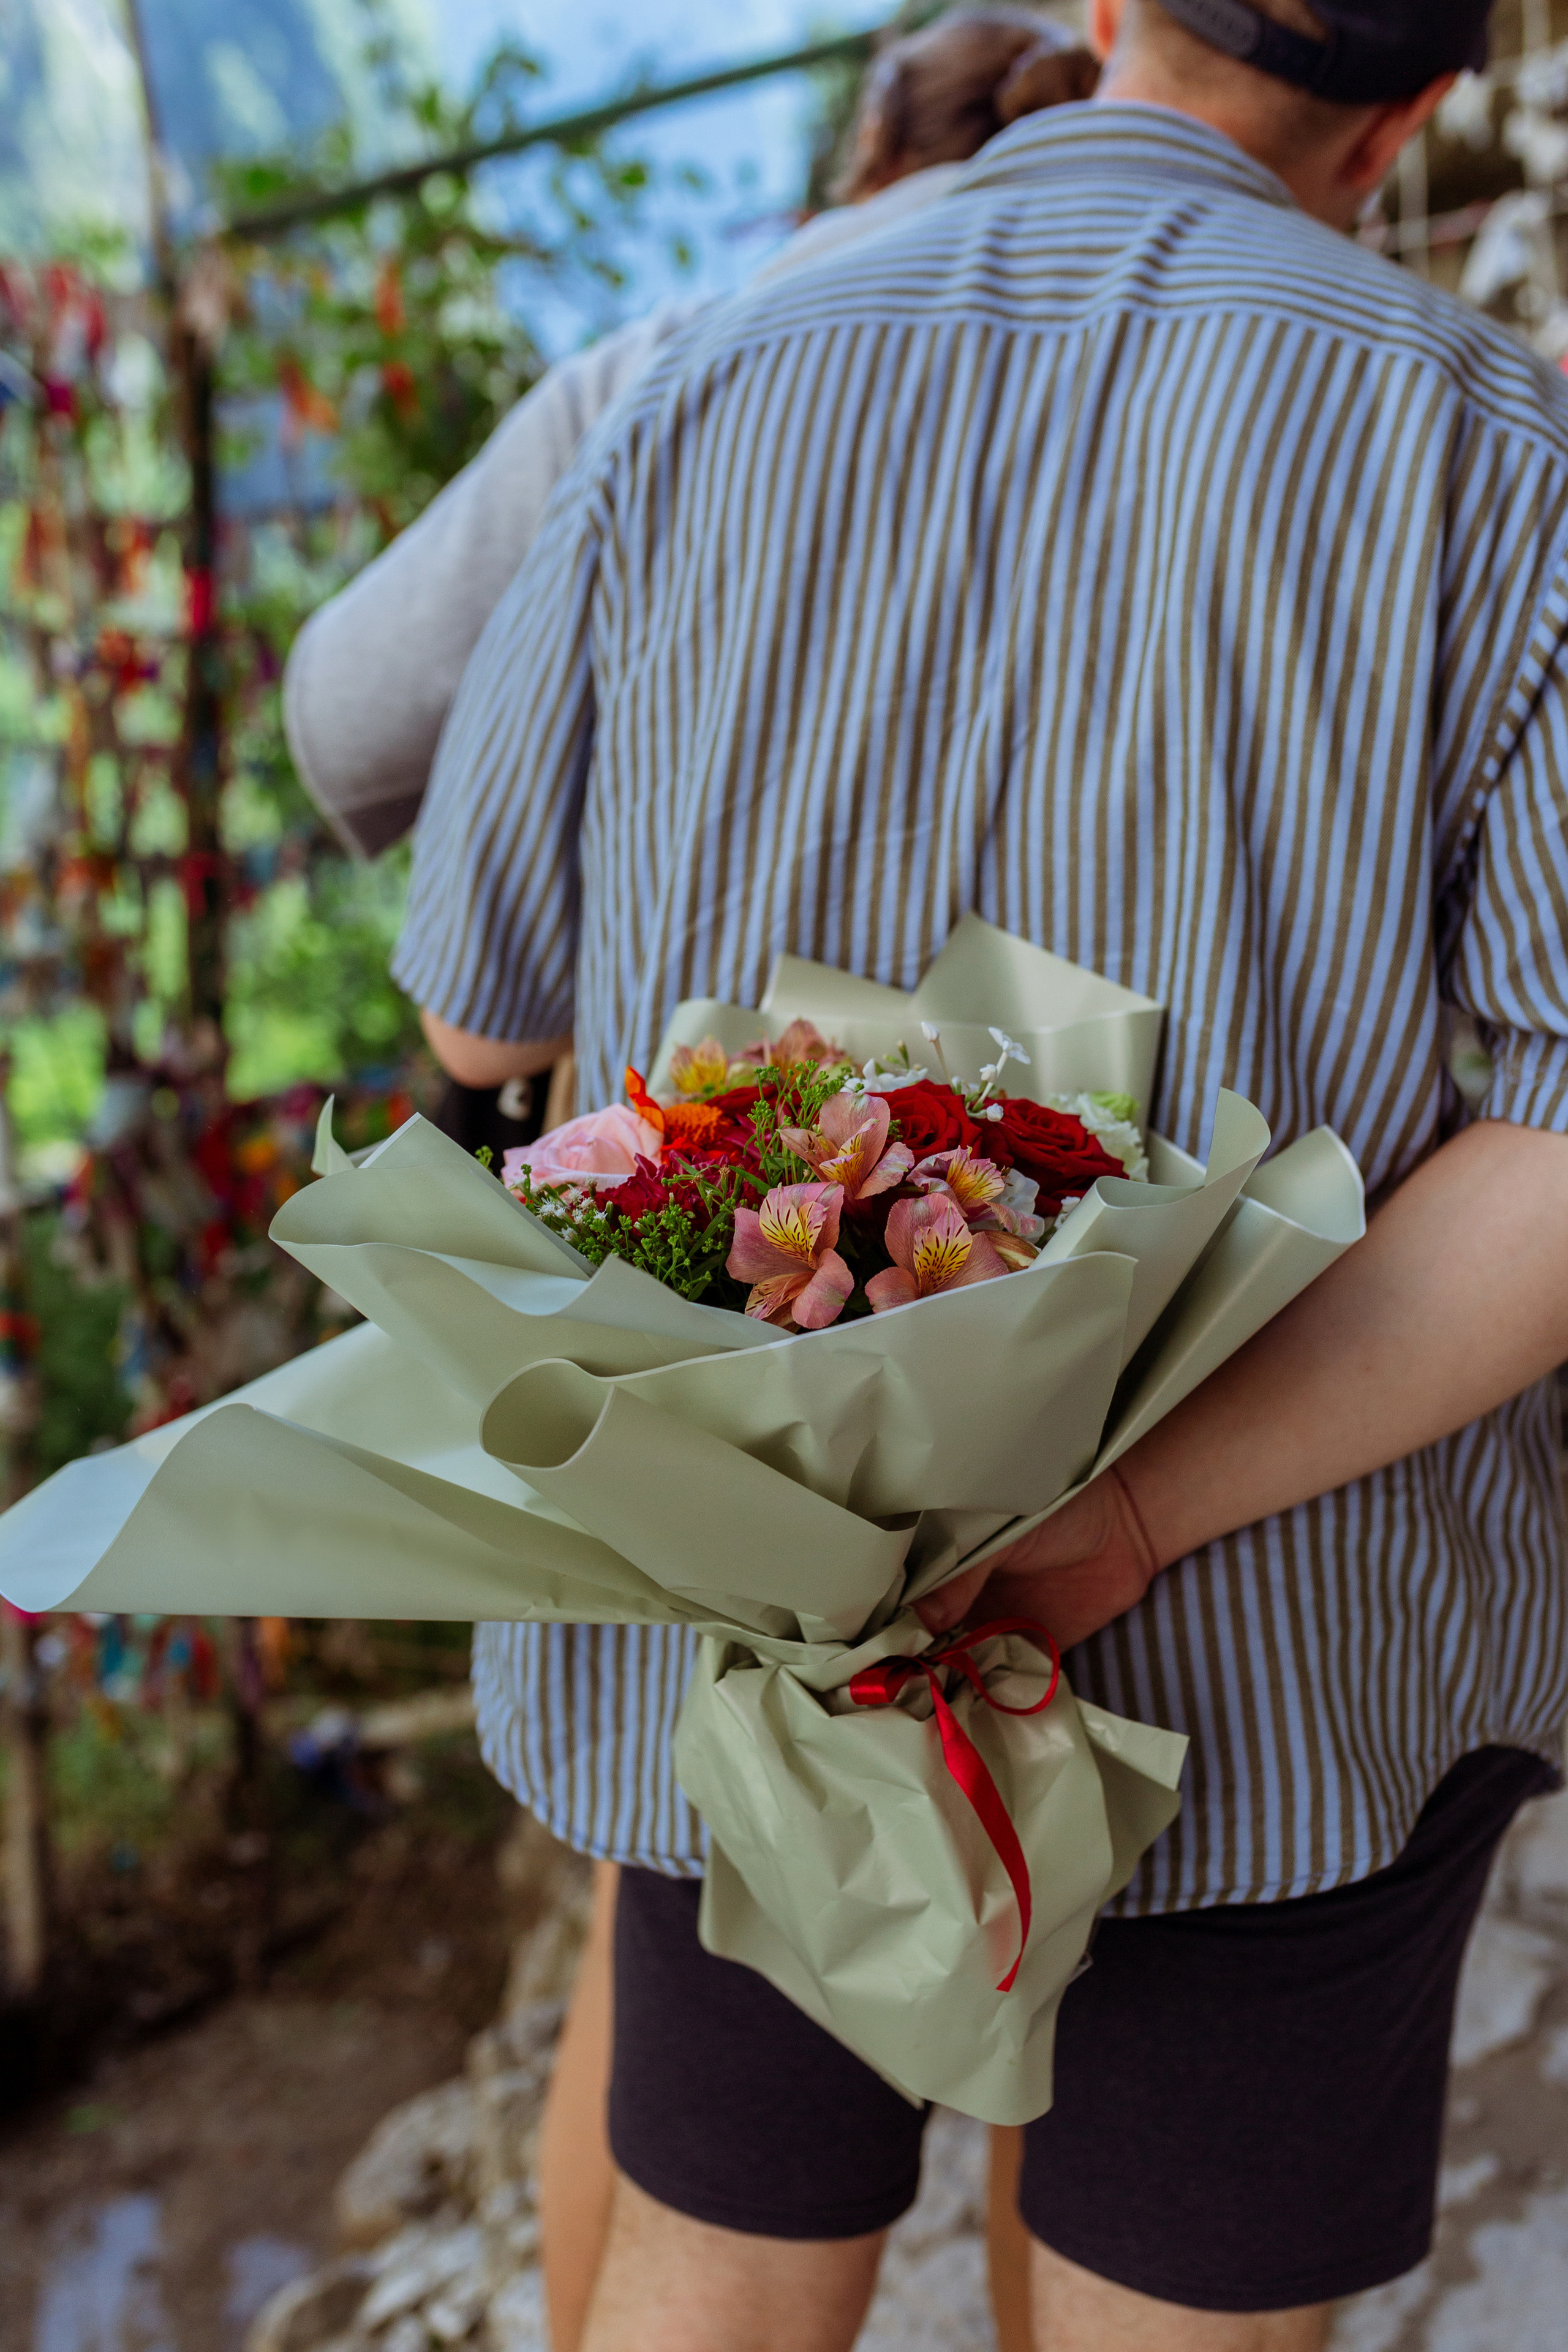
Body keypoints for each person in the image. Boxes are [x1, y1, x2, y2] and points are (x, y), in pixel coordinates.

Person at [395, 0, 1568, 2345]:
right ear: (1416, 106)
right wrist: (1119, 1522)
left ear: (1107, 14)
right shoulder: (1492, 443)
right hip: (1281, 1664)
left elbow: (482, 1017)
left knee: (720, 2274)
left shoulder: (703, 378)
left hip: (767, 1613)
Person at [287, 20, 1098, 2350]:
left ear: (857, 165)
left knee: (675, 1962)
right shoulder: (1238, 369)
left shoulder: (678, 362)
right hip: (1072, 1262)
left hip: (718, 1279)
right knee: (1088, 1946)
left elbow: (353, 710)